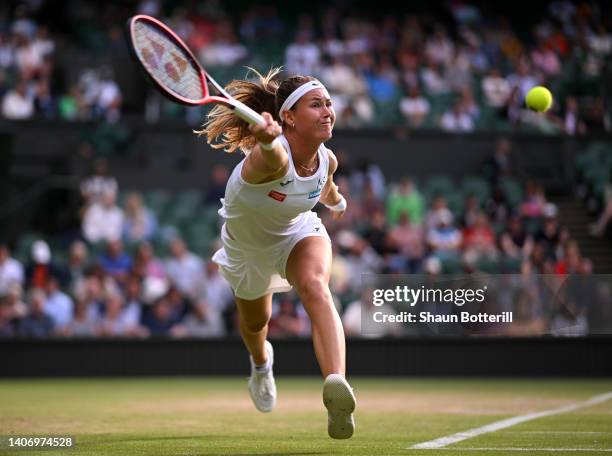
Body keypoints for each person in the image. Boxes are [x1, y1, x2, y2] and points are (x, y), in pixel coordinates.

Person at [196, 68, 356, 439]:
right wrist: (267, 142)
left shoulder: (326, 160)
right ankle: (261, 363)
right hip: (248, 250)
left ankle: (336, 385)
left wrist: (337, 200)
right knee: (255, 326)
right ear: (288, 117)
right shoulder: (270, 158)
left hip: (297, 232)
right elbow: (274, 162)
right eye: (316, 105)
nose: (327, 111)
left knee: (316, 286)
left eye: (329, 104)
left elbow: (326, 188)